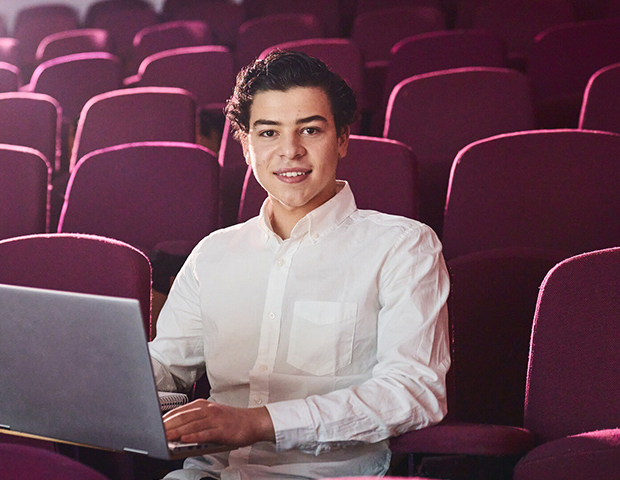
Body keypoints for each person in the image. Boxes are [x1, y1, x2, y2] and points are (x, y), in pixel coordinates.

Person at [148, 50, 450, 479]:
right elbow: (165, 369)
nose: (290, 151)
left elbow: (415, 393)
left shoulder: (403, 247)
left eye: (310, 129)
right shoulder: (212, 254)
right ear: (246, 147)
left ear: (342, 139)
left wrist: (257, 422)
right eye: (268, 133)